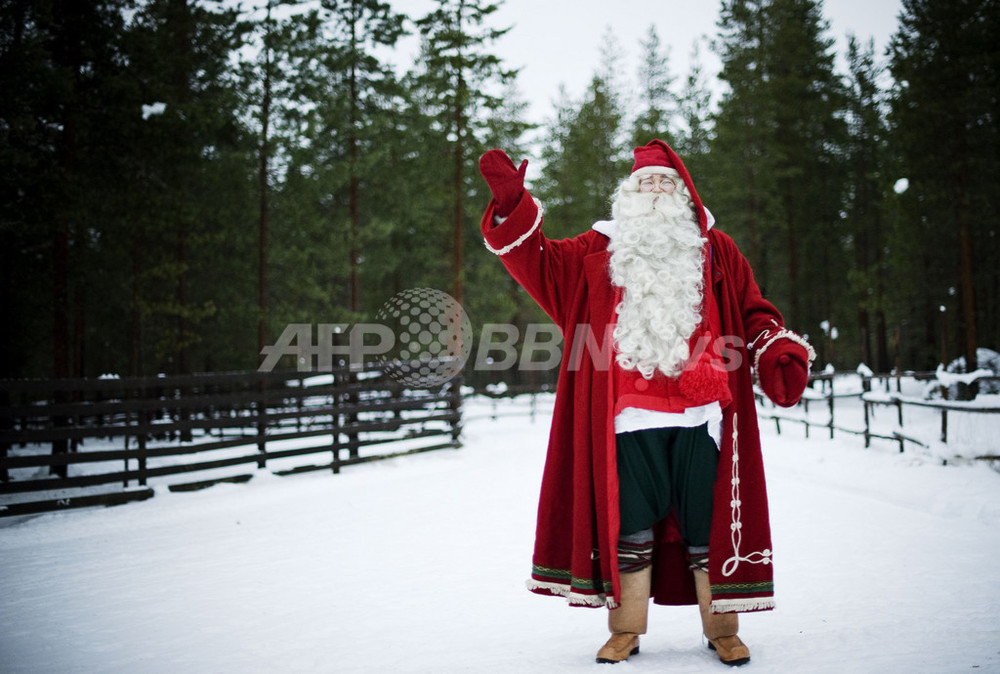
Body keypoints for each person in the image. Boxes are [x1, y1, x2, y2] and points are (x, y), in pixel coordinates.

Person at [478, 140, 815, 666]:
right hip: (628, 416)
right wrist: (511, 205)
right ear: (628, 193)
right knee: (630, 523)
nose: (655, 190)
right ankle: (626, 630)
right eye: (646, 183)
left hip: (703, 414)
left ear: (683, 194)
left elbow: (753, 310)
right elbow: (537, 262)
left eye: (665, 182)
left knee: (707, 522)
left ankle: (722, 629)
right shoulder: (597, 249)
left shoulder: (715, 248)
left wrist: (775, 345)